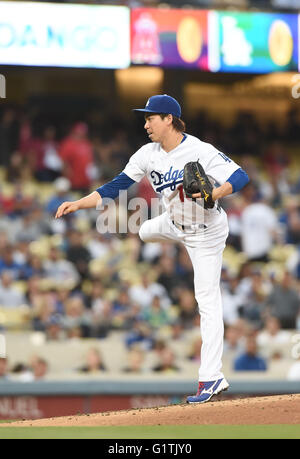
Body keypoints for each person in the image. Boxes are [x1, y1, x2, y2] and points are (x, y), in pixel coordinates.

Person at [55, 94, 249, 403]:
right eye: (145, 118)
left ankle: (211, 378)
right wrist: (79, 203)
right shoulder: (147, 154)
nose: (146, 124)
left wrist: (216, 192)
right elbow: (115, 186)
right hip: (172, 223)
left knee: (207, 300)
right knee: (144, 231)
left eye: (151, 118)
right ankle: (151, 228)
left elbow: (240, 176)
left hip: (206, 233)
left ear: (169, 119)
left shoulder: (199, 149)